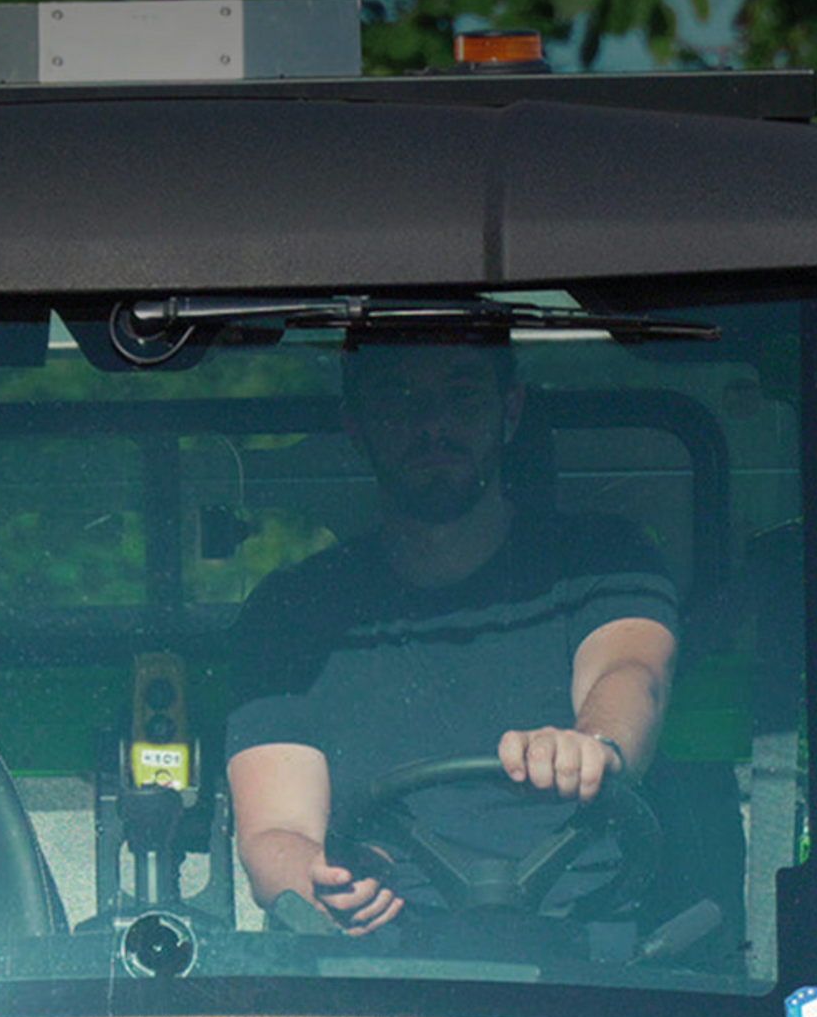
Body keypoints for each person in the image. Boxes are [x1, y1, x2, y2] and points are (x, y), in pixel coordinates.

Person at [224, 338, 677, 936]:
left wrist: (592, 744)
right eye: (397, 398)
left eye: (462, 397)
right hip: (371, 976)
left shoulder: (606, 562)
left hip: (593, 961)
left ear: (509, 412)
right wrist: (318, 878)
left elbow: (630, 672)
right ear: (355, 425)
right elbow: (273, 833)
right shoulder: (290, 611)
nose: (432, 423)